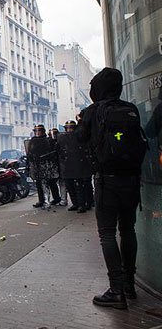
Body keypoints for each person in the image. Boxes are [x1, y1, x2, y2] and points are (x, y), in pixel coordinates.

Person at [76, 67, 148, 309]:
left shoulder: (92, 111)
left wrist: (82, 122)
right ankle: (129, 284)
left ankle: (116, 290)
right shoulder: (131, 109)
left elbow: (80, 139)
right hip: (132, 181)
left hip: (107, 181)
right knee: (128, 230)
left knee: (107, 233)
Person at [58, 121, 93, 213]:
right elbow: (59, 150)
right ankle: (75, 203)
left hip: (78, 164)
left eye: (71, 128)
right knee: (70, 186)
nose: (69, 130)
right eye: (68, 128)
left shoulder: (80, 137)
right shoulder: (62, 138)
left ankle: (82, 205)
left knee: (79, 186)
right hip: (67, 165)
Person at [27, 124, 61, 208]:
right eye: (36, 131)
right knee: (39, 183)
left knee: (51, 182)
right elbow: (29, 152)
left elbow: (53, 152)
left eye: (39, 131)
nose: (37, 133)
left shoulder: (48, 140)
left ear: (43, 131)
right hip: (37, 165)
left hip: (47, 164)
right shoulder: (33, 140)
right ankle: (41, 200)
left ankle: (56, 198)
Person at [50, 128, 68, 206]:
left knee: (62, 182)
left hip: (61, 164)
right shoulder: (49, 142)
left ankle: (63, 200)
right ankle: (57, 198)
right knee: (53, 182)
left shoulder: (62, 142)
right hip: (53, 165)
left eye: (55, 134)